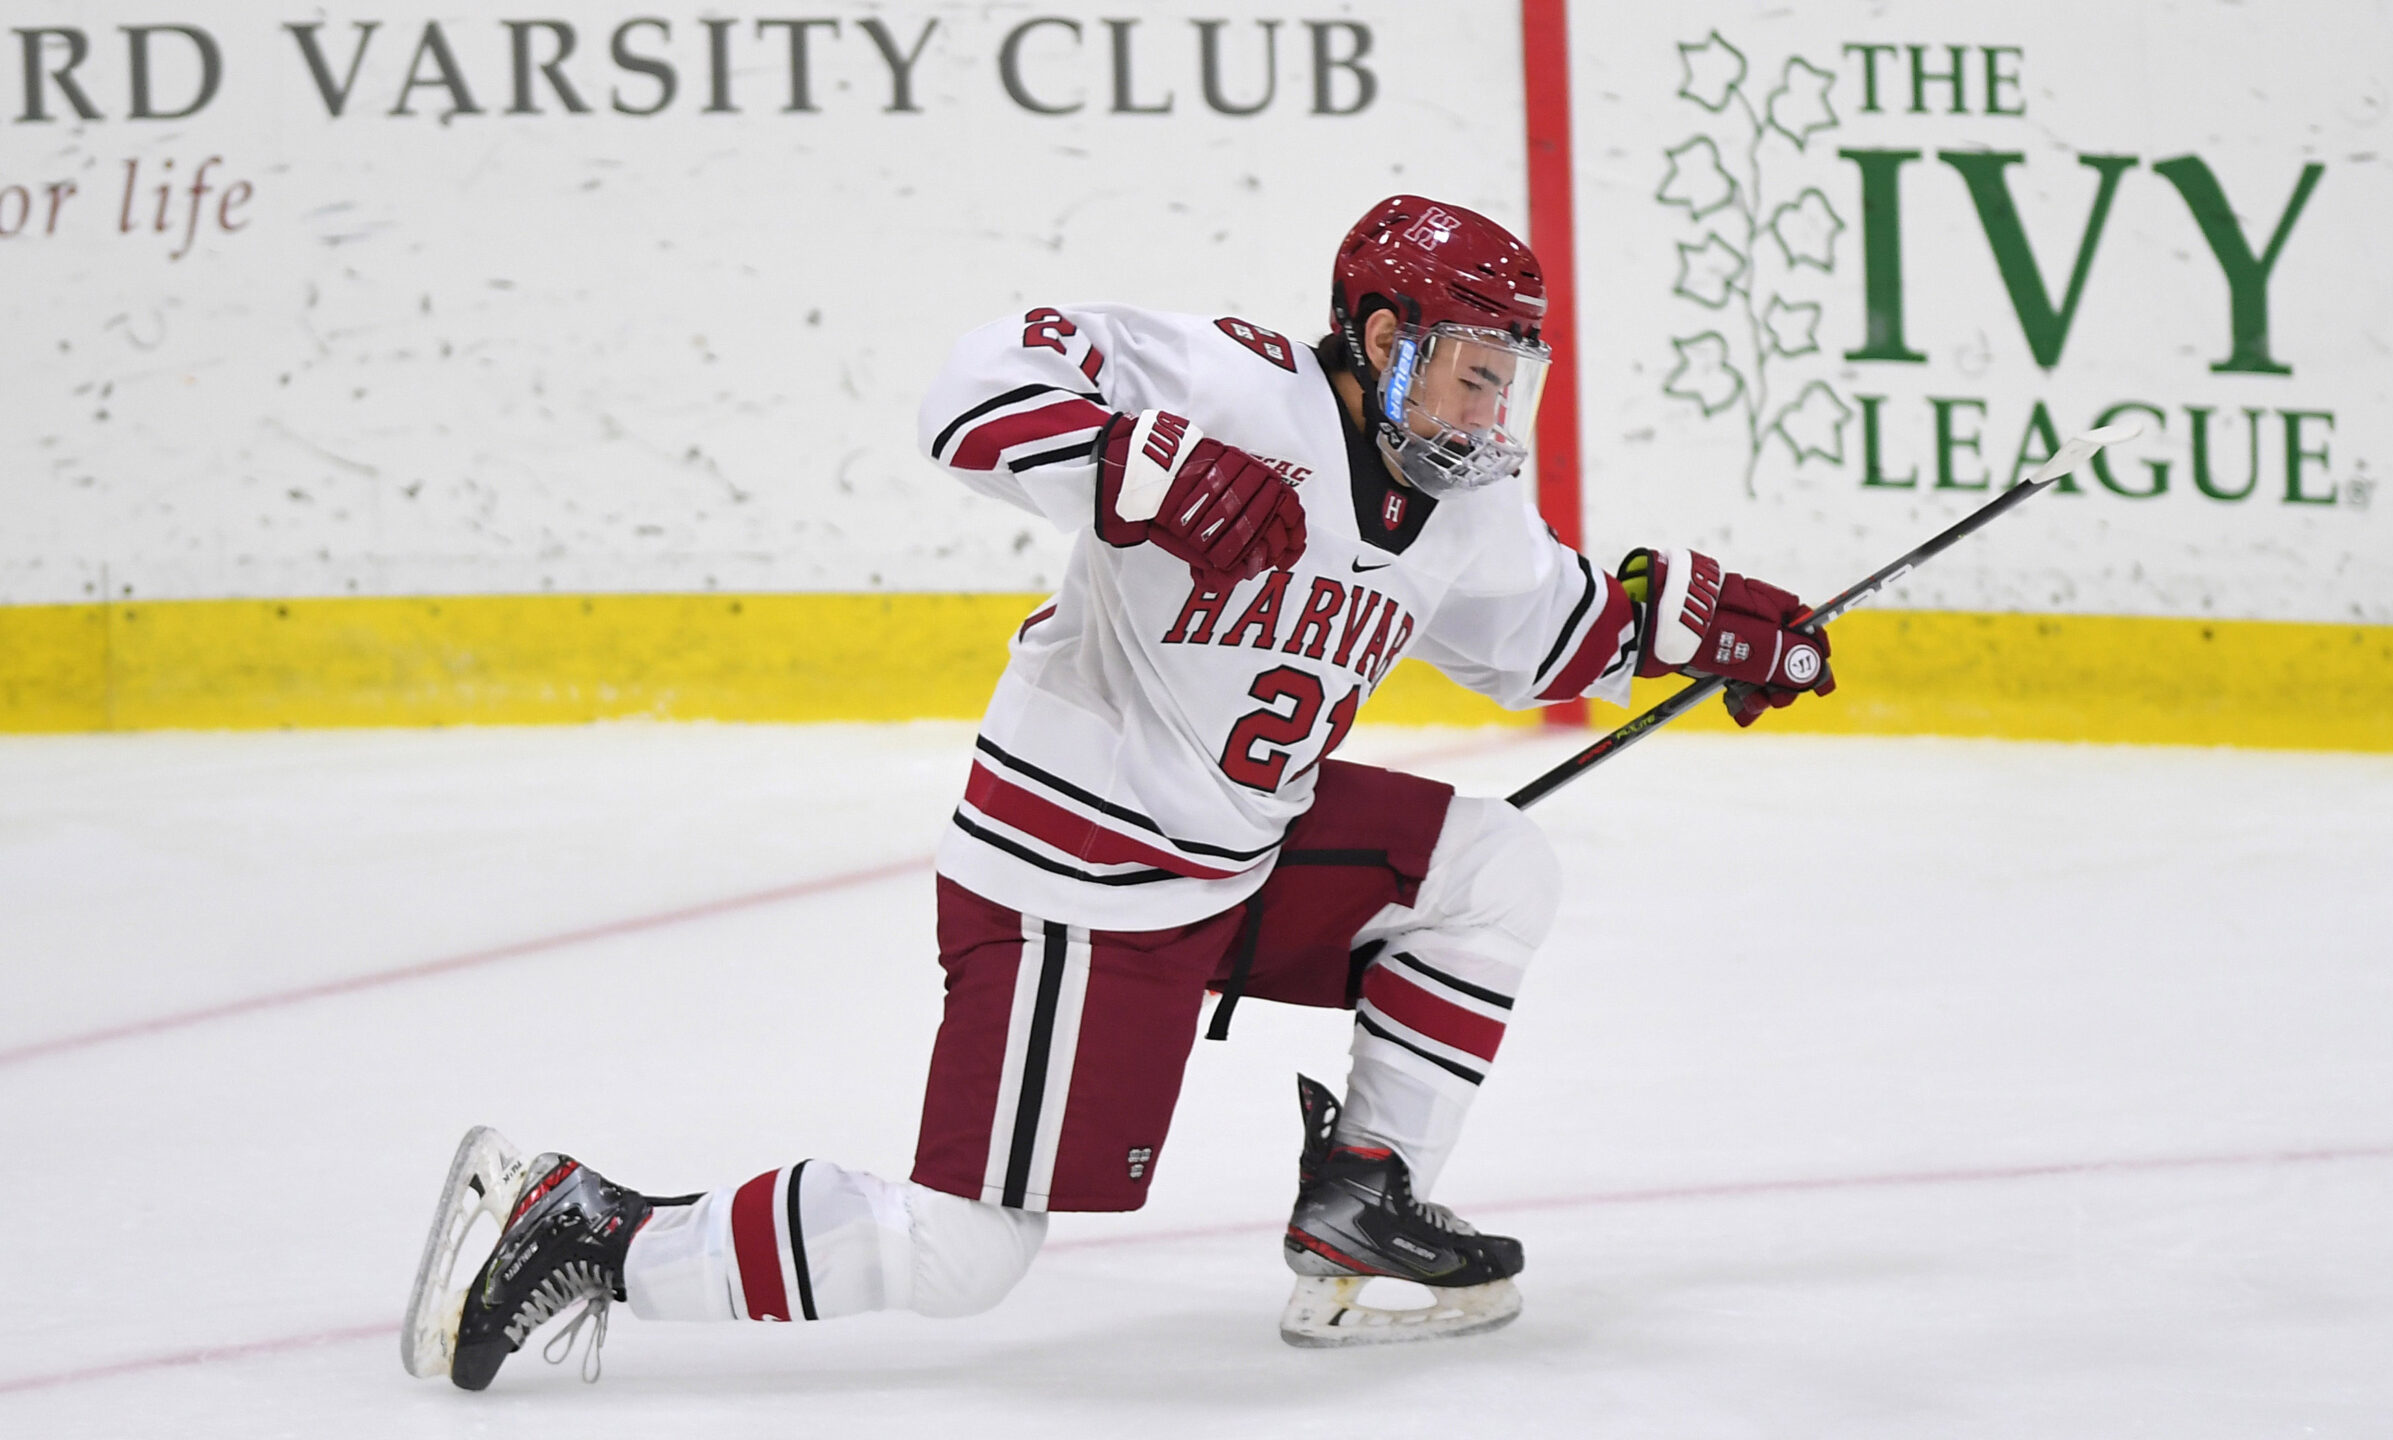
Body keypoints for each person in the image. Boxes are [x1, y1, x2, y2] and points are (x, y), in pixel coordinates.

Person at [400, 195, 1838, 1388]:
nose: (1493, 406)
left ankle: (1362, 1198)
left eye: (1511, 375)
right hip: (1075, 886)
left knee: (1497, 873)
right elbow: (966, 389)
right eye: (1472, 367)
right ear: (1383, 338)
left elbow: (1531, 637)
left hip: (1243, 855)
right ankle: (591, 1226)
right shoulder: (1224, 382)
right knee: (965, 1257)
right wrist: (1131, 463)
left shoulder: (1460, 496)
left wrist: (1698, 625)